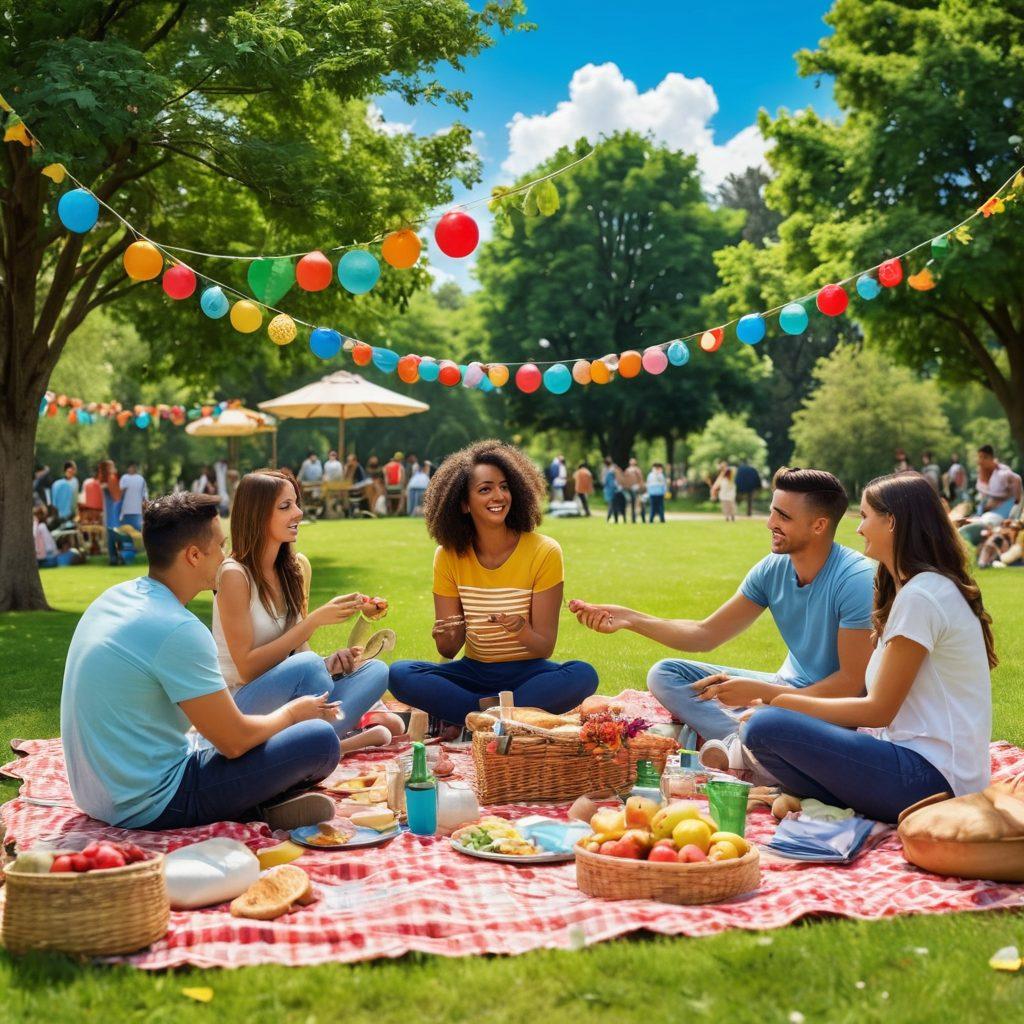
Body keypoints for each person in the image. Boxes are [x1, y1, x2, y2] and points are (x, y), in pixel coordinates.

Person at [61, 492, 342, 831]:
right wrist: (294, 714)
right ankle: (259, 808)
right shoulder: (178, 629)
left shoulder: (116, 598)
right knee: (320, 741)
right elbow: (234, 742)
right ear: (194, 555)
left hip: (95, 795)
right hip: (153, 802)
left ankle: (262, 802)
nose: (226, 557)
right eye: (220, 546)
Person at [741, 473, 995, 823]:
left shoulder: (922, 596)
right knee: (770, 733)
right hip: (911, 764)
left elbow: (878, 711)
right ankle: (814, 794)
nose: (858, 529)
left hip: (936, 779)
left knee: (766, 728)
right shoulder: (915, 590)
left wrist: (779, 701)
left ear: (891, 522)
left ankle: (813, 792)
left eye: (864, 516)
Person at [570, 468, 874, 746]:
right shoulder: (773, 568)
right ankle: (743, 741)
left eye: (783, 516)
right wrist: (629, 619)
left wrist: (767, 695)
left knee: (767, 718)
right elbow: (705, 634)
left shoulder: (855, 579)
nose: (770, 523)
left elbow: (851, 685)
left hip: (829, 709)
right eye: (772, 512)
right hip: (783, 688)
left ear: (819, 525)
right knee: (665, 674)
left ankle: (752, 740)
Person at [388, 440, 599, 731]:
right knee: (399, 674)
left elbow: (545, 647)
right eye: (485, 489)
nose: (498, 496)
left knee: (583, 675)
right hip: (474, 672)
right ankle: (500, 715)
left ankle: (475, 716)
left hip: (529, 674)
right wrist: (447, 635)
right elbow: (449, 649)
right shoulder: (447, 556)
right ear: (464, 503)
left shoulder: (545, 551)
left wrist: (520, 629)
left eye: (504, 486)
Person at [212, 470, 401, 753]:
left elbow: (300, 655)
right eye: (285, 506)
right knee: (310, 666)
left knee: (375, 671)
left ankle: (310, 745)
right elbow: (247, 669)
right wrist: (313, 622)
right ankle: (328, 744)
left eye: (296, 503)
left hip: (287, 701)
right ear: (257, 515)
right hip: (241, 706)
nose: (299, 513)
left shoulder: (290, 570)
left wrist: (331, 663)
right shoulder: (234, 575)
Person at [975, 445, 1020, 518]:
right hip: (984, 511)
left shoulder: (1004, 471)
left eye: (985, 457)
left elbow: (1017, 481)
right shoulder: (981, 472)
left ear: (991, 458)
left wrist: (1016, 503)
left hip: (1002, 511)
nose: (981, 461)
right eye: (980, 457)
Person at [97, 459, 123, 565]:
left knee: (111, 536)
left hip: (109, 512)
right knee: (116, 535)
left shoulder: (103, 480)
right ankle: (118, 557)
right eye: (112, 466)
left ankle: (113, 558)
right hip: (114, 512)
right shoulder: (111, 479)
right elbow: (117, 496)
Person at [118, 462, 148, 532]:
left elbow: (144, 495)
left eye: (133, 467)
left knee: (137, 531)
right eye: (130, 467)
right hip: (126, 510)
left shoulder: (141, 479)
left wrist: (145, 509)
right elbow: (120, 493)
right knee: (126, 531)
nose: (131, 469)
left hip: (137, 511)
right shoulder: (124, 477)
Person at [603, 457, 625, 523]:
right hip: (613, 491)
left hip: (612, 491)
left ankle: (611, 519)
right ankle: (613, 519)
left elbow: (606, 482)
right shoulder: (611, 472)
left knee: (612, 506)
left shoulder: (607, 471)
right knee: (613, 506)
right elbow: (612, 483)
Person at [623, 457, 645, 523]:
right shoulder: (629, 470)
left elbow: (640, 480)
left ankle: (638, 518)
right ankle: (634, 518)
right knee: (634, 505)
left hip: (636, 489)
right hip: (631, 489)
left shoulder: (636, 470)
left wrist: (640, 487)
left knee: (637, 504)